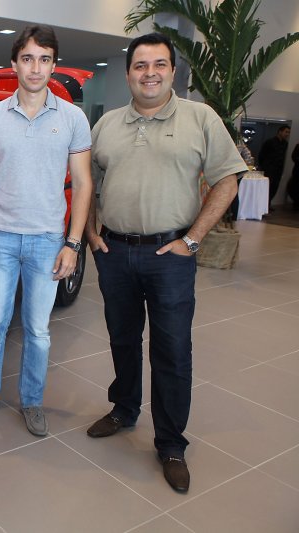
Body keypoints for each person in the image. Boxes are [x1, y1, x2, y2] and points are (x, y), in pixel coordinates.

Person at [86, 32, 248, 494]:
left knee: (172, 351)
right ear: (127, 73)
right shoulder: (108, 125)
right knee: (121, 338)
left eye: (159, 64)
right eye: (140, 65)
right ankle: (123, 409)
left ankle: (171, 442)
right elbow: (87, 184)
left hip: (170, 255)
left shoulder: (200, 118)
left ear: (173, 71)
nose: (149, 73)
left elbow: (228, 180)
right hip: (114, 253)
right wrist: (91, 234)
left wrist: (193, 239)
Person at [0, 25, 93, 436]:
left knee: (38, 329)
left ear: (53, 64)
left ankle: (32, 401)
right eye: (28, 58)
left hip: (47, 239)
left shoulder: (72, 118)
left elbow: (84, 183)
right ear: (15, 63)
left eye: (44, 59)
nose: (35, 68)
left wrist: (72, 244)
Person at [258, 125, 290, 209]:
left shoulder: (285, 144)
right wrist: (263, 166)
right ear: (280, 131)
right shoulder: (270, 142)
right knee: (267, 187)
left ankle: (268, 204)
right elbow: (261, 155)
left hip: (278, 170)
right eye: (286, 132)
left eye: (288, 132)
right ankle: (264, 205)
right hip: (269, 169)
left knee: (274, 188)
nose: (287, 134)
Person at [289, 143, 299, 211]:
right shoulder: (298, 146)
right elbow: (294, 157)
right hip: (297, 171)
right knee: (296, 187)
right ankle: (296, 204)